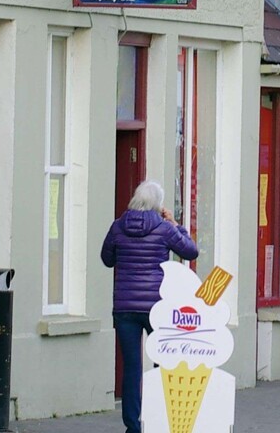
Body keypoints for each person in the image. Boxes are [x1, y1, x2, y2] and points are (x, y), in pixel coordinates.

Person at [101, 180, 198, 433]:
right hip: (157, 308)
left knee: (131, 368)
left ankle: (133, 427)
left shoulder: (117, 226)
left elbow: (106, 259)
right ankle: (158, 422)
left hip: (124, 308)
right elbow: (190, 252)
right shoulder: (164, 228)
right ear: (157, 204)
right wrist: (176, 225)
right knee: (161, 365)